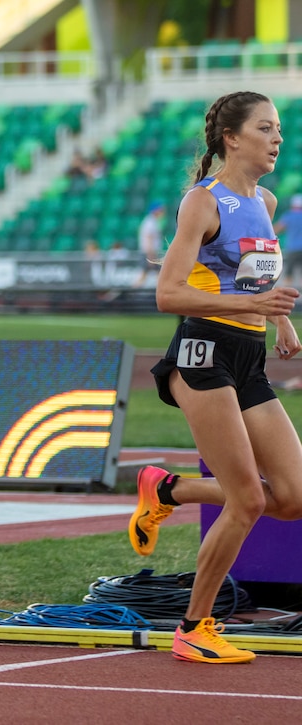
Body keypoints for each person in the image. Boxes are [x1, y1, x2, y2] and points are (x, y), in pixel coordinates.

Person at [128, 91, 302, 664]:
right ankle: (194, 628)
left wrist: (276, 320)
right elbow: (167, 294)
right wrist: (247, 306)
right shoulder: (203, 203)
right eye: (265, 128)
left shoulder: (266, 201)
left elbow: (253, 278)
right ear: (232, 137)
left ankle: (167, 489)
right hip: (203, 353)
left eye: (278, 129)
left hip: (249, 355)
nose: (277, 138)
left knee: (293, 496)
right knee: (248, 499)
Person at [133, 200, 166, 288]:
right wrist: (150, 255)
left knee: (155, 274)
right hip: (150, 252)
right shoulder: (150, 222)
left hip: (151, 252)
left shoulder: (152, 221)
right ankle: (132, 292)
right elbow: (148, 239)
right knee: (147, 274)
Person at [274, 193, 302, 286]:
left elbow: (278, 229)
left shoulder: (289, 215)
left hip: (292, 248)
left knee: (289, 273)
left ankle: (287, 294)